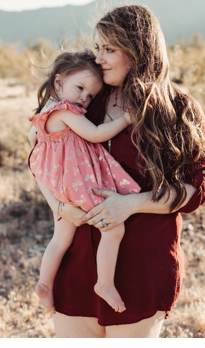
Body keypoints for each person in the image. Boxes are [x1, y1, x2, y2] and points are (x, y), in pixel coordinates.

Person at [29, 6, 205, 337]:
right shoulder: (85, 102)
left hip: (141, 271)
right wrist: (59, 207)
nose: (99, 58)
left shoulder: (179, 110)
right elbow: (41, 162)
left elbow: (193, 191)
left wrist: (130, 203)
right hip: (77, 268)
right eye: (97, 48)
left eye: (109, 49)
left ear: (138, 49)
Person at [29, 51, 140, 313]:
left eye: (90, 95)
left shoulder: (42, 116)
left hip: (59, 185)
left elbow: (33, 147)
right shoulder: (65, 111)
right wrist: (126, 118)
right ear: (58, 83)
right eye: (79, 88)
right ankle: (104, 283)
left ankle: (44, 285)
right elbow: (96, 134)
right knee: (113, 229)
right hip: (78, 182)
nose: (83, 98)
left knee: (60, 239)